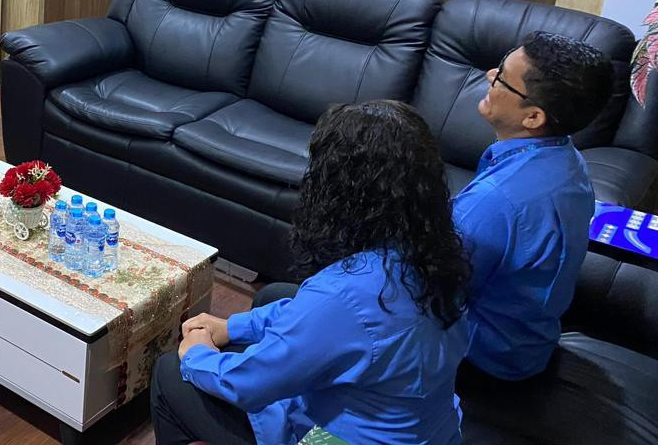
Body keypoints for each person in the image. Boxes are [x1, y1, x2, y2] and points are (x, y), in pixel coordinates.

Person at [151, 100, 471, 445]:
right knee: (276, 296)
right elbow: (322, 317)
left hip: (347, 438)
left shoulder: (343, 293)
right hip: (428, 426)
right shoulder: (434, 253)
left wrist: (197, 353)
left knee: (170, 373)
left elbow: (247, 385)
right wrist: (233, 326)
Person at [454, 31, 613, 381]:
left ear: (533, 117)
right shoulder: (569, 160)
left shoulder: (495, 200)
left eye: (502, 77)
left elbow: (433, 286)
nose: (489, 76)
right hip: (530, 343)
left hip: (483, 358)